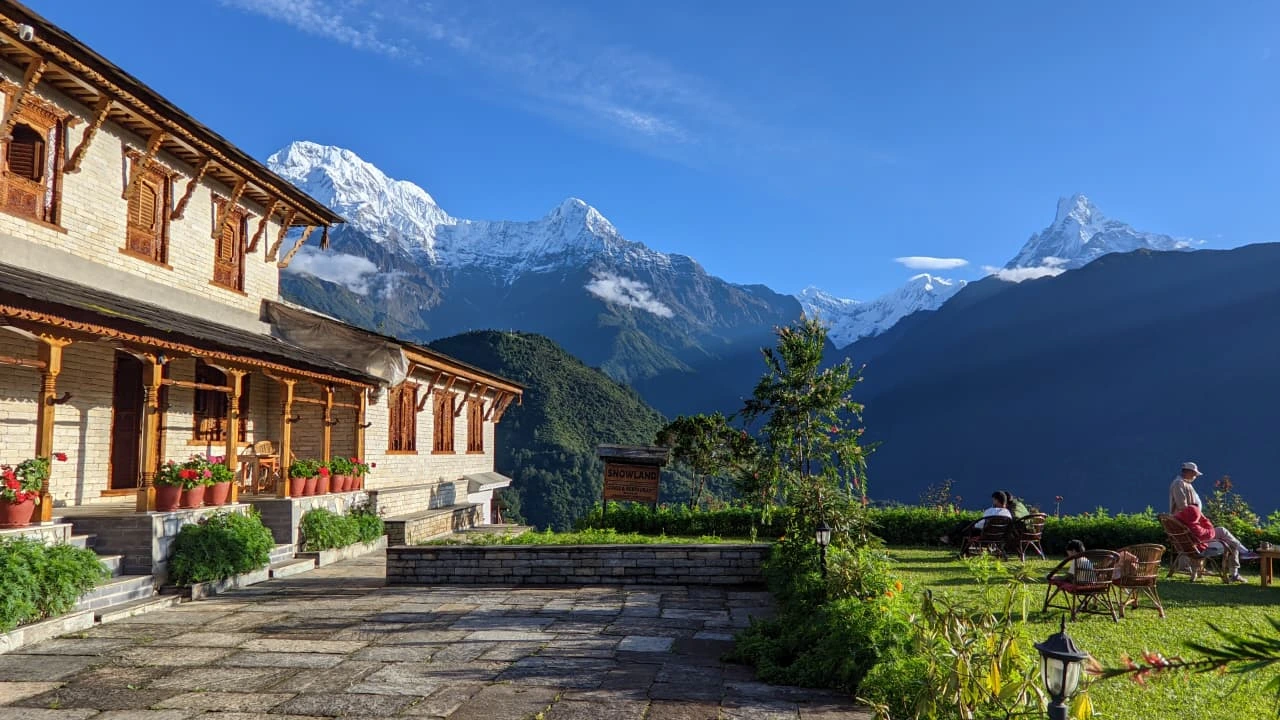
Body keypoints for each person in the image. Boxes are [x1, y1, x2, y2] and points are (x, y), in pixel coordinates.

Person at [1174, 504, 1256, 583]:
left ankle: (1244, 551)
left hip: (1187, 545)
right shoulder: (1195, 528)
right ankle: (1235, 573)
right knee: (1232, 545)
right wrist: (1203, 518)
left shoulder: (1179, 519)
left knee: (1222, 530)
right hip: (1200, 548)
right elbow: (1211, 532)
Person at [940, 491, 1012, 545]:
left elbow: (979, 525)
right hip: (1000, 537)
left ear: (996, 500)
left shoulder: (990, 511)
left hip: (984, 535)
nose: (993, 502)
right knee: (965, 525)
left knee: (964, 525)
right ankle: (949, 537)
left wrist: (973, 525)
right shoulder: (1008, 514)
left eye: (993, 500)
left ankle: (949, 538)